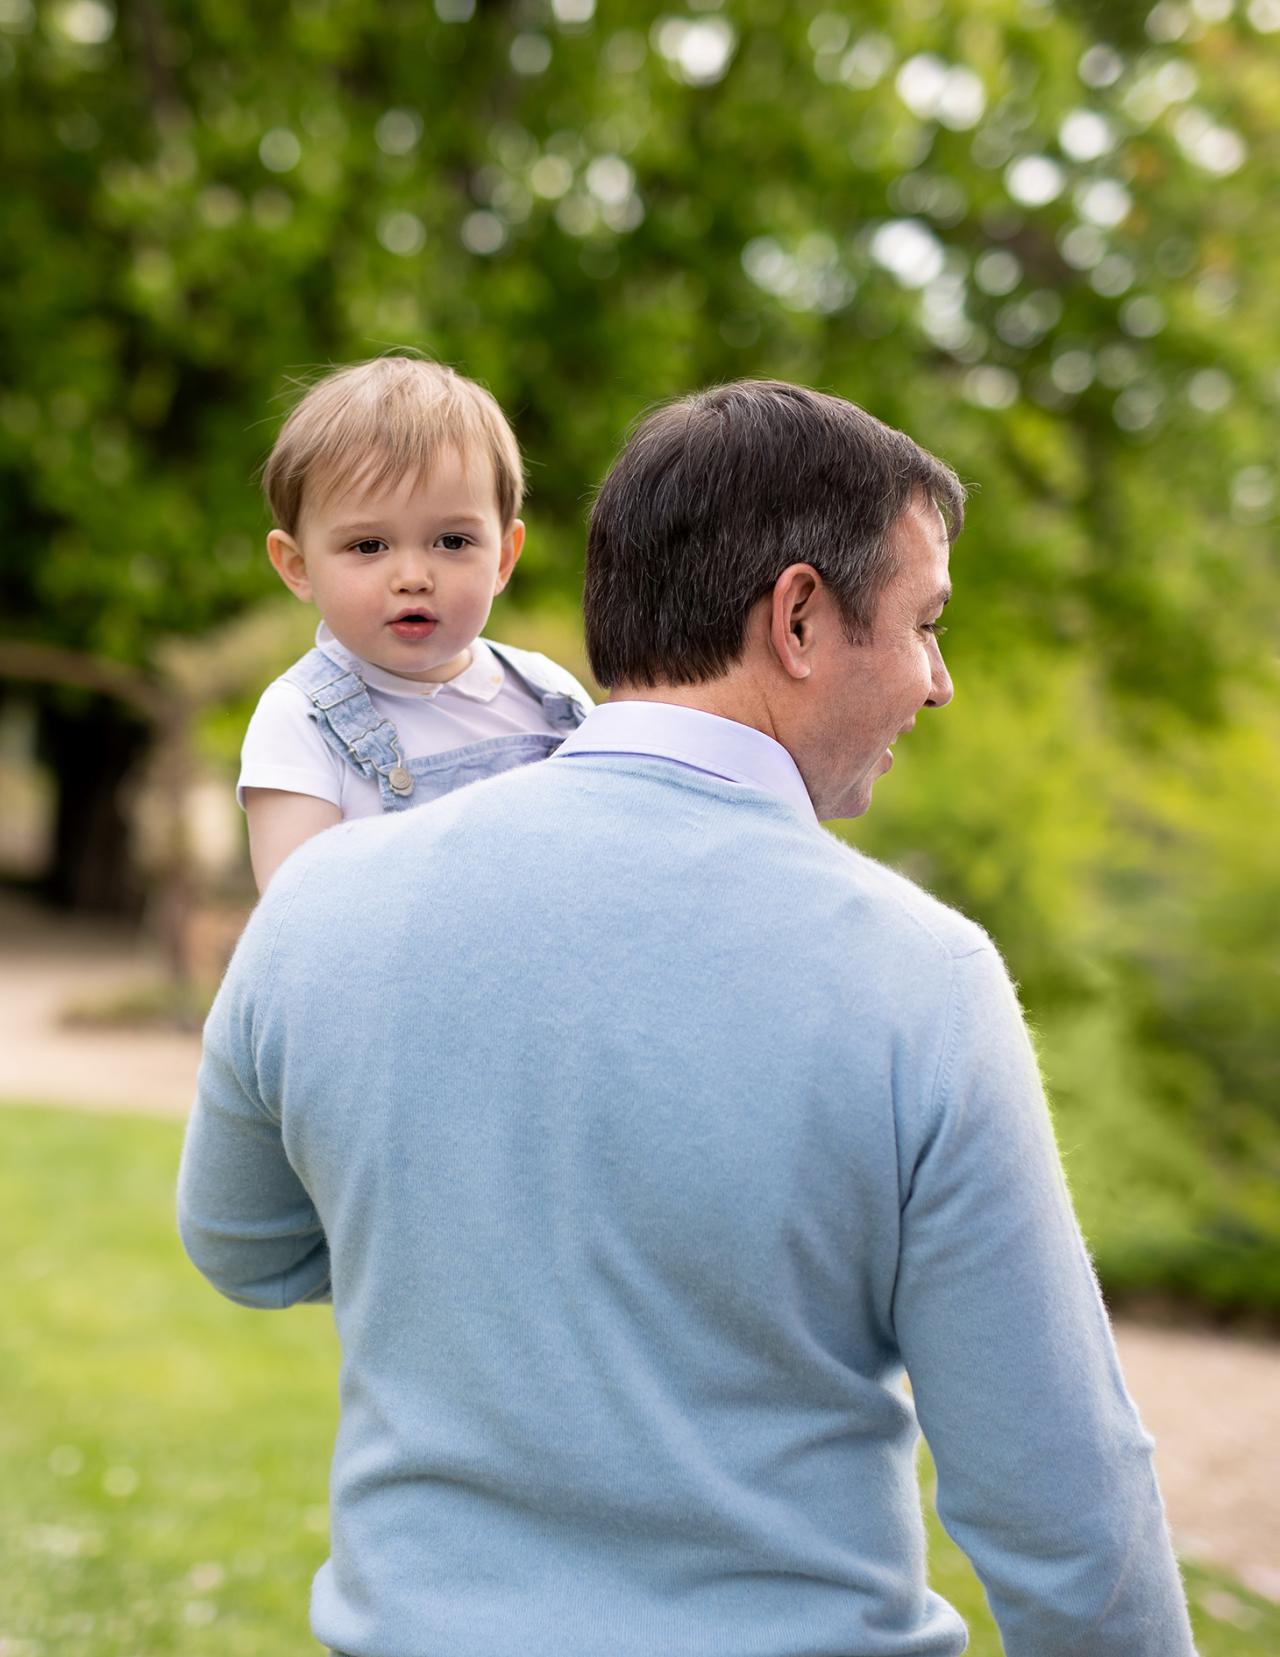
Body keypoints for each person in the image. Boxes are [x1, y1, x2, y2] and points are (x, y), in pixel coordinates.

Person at [179, 380, 1197, 1657]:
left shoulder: (319, 903)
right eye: (926, 623)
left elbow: (241, 1245)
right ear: (800, 616)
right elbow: (1058, 1482)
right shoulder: (916, 975)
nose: (938, 683)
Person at [239, 354, 592, 890]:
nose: (412, 576)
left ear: (502, 558)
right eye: (369, 545)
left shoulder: (550, 700)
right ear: (298, 566)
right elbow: (298, 927)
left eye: (452, 541)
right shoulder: (299, 721)